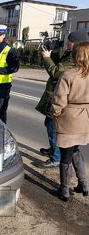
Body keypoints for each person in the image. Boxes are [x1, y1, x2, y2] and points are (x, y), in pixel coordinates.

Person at [35, 31, 89, 168]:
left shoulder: (73, 58)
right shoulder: (70, 55)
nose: (66, 43)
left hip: (64, 103)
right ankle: (54, 150)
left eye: (68, 41)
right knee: (49, 124)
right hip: (67, 104)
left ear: (75, 43)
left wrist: (47, 58)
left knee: (53, 127)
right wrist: (52, 53)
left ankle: (56, 157)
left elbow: (55, 72)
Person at [51, 41, 89, 201]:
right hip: (85, 118)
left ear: (76, 55)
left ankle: (64, 190)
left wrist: (55, 114)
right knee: (75, 150)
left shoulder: (69, 75)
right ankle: (84, 185)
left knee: (66, 155)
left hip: (69, 118)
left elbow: (59, 99)